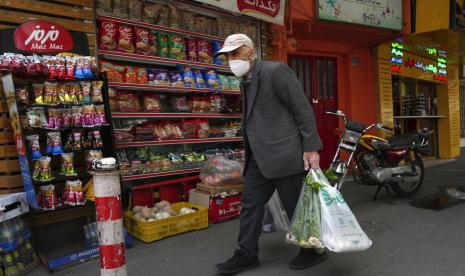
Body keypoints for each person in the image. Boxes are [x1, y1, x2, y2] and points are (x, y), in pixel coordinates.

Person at [214, 34, 327, 274]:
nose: (231, 60)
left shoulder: (276, 72)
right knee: (250, 204)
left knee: (296, 207)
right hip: (259, 158)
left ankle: (312, 249)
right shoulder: (246, 79)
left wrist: (310, 147)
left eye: (235, 53)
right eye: (228, 56)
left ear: (251, 52)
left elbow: (302, 109)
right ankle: (246, 254)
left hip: (285, 154)